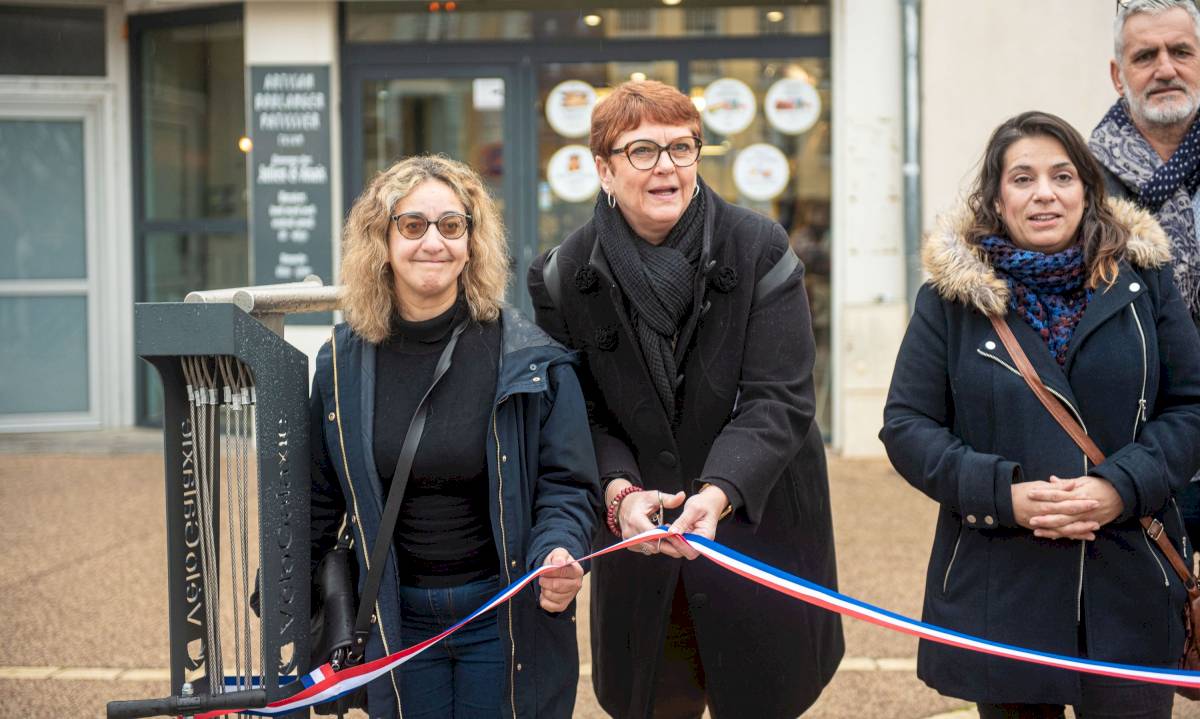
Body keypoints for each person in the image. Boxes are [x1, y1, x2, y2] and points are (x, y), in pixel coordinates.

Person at [526, 80, 843, 719]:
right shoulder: (561, 275)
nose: (666, 166)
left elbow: (778, 398)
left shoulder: (759, 248)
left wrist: (719, 491)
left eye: (681, 147)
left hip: (755, 523)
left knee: (763, 695)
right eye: (642, 150)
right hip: (641, 538)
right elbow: (578, 413)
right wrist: (619, 495)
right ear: (603, 169)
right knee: (655, 697)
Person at [882, 111, 1200, 718]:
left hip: (1129, 577)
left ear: (1087, 190)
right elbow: (907, 426)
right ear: (998, 201)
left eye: (1062, 176)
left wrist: (1120, 487)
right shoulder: (949, 303)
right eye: (1022, 178)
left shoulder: (1146, 284)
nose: (1045, 193)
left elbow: (1191, 405)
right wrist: (1004, 495)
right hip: (1004, 585)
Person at [309, 155, 600, 718]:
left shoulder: (528, 358)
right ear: (382, 241)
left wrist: (559, 551)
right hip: (394, 622)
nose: (433, 242)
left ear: (472, 241)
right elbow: (317, 499)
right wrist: (288, 601)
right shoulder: (340, 366)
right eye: (412, 225)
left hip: (502, 616)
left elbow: (567, 484)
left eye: (451, 225)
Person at [1090, 0, 1200, 568]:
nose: (1165, 68)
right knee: (1151, 639)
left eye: (1181, 51)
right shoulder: (1080, 184)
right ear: (1118, 74)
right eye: (1144, 56)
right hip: (1132, 453)